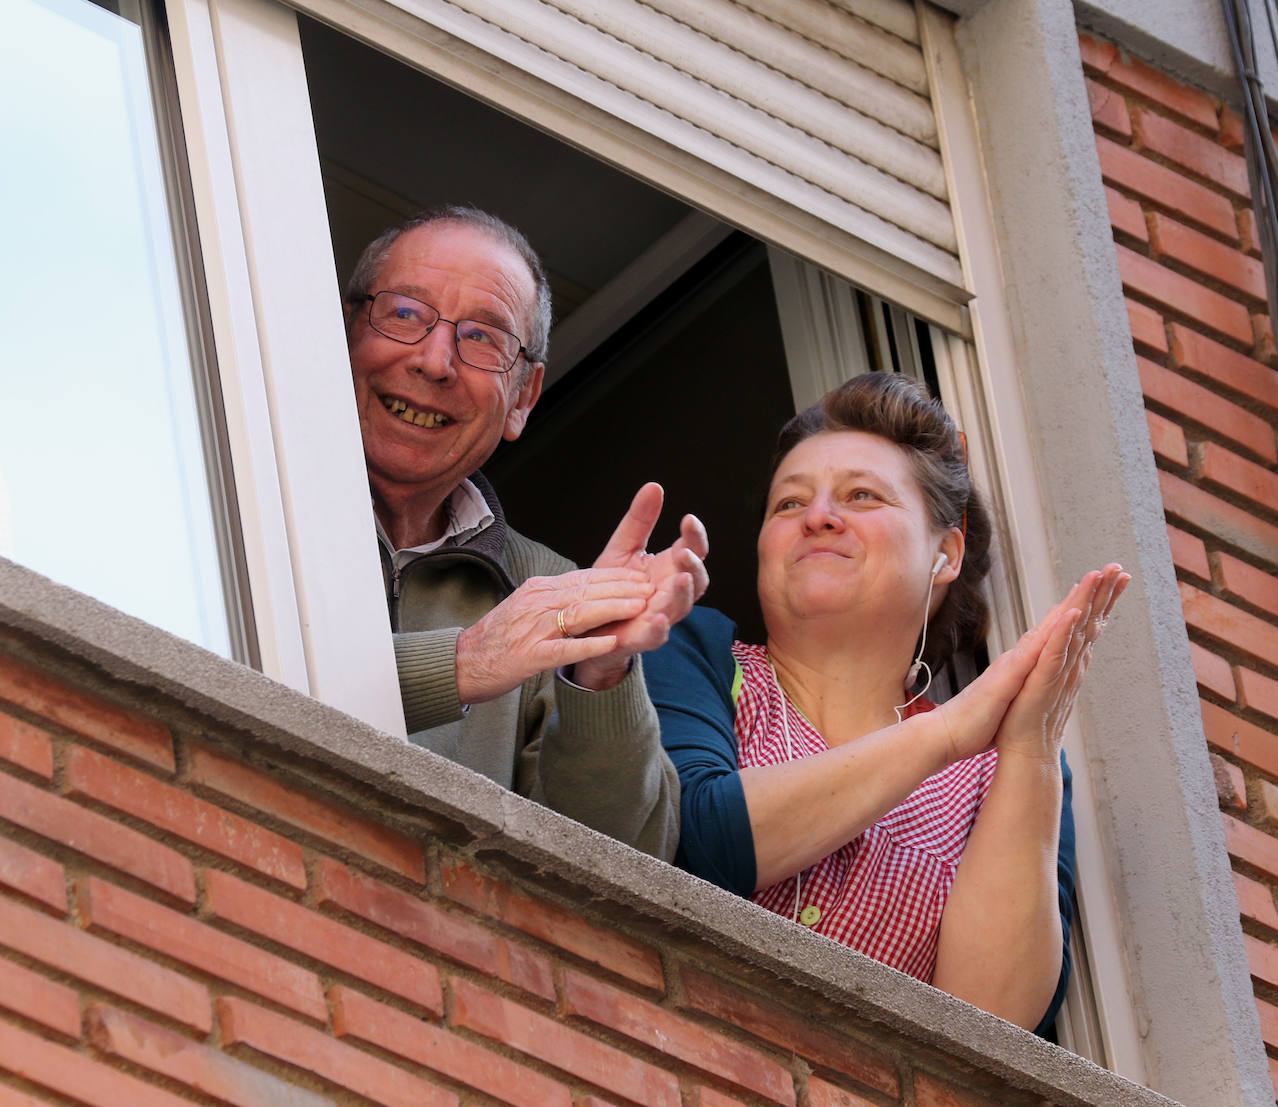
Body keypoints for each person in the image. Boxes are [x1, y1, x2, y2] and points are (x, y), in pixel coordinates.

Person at [643, 372, 1127, 1033]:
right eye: (788, 504)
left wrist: (1032, 745)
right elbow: (690, 839)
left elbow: (991, 1029)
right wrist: (947, 732)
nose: (817, 515)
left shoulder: (996, 770)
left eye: (861, 495)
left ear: (946, 552)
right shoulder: (691, 648)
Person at [343, 205, 707, 860]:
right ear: (346, 332)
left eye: (482, 337)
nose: (434, 361)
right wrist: (463, 664)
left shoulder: (552, 594)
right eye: (403, 313)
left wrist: (600, 675)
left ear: (522, 397)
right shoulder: (238, 499)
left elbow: (624, 864)